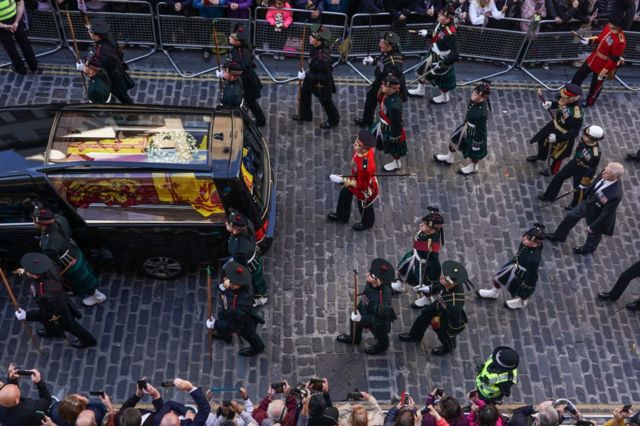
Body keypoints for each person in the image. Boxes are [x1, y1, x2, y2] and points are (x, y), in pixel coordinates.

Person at [13, 253, 97, 348]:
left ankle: (89, 340)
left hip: (58, 309)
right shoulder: (48, 265)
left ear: (35, 275)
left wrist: (26, 315)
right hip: (55, 300)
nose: (26, 272)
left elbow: (46, 312)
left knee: (69, 325)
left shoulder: (46, 293)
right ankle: (53, 331)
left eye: (28, 271)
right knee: (48, 320)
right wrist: (23, 271)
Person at [32, 206, 107, 307]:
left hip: (68, 263)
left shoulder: (50, 245)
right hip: (73, 251)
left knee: (82, 281)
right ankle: (73, 289)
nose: (33, 223)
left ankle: (98, 297)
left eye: (35, 221)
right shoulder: (60, 219)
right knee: (81, 278)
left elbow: (53, 263)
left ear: (43, 224)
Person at [546, 162, 624, 254]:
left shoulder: (615, 194)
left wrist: (592, 227)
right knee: (571, 216)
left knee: (594, 234)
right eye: (604, 171)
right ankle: (559, 235)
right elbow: (595, 182)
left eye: (607, 174)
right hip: (588, 202)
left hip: (597, 213)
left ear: (616, 177)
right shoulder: (606, 172)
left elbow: (606, 213)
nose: (603, 174)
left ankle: (588, 248)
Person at [398, 260, 469, 356]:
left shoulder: (456, 301)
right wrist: (429, 289)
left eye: (445, 279)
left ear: (452, 284)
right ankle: (415, 336)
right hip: (439, 306)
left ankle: (449, 348)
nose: (442, 278)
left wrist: (439, 319)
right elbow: (440, 286)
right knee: (422, 318)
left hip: (447, 316)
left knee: (444, 335)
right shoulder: (448, 282)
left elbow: (453, 315)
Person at [476, 224, 545, 310]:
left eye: (528, 239)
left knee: (521, 292)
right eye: (526, 237)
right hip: (514, 264)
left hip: (521, 274)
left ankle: (521, 302)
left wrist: (527, 287)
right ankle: (494, 293)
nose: (524, 239)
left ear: (536, 243)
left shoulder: (534, 259)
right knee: (498, 278)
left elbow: (532, 276)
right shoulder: (527, 241)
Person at [336, 258, 397, 355]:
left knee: (380, 335)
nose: (367, 275)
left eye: (371, 276)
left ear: (379, 281)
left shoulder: (383, 299)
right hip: (366, 309)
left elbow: (378, 319)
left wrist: (361, 319)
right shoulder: (372, 282)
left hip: (378, 321)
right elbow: (366, 296)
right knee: (354, 321)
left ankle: (382, 347)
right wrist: (359, 309)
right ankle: (355, 338)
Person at [205, 262, 266, 356]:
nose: (225, 280)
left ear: (237, 285)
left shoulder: (240, 305)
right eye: (226, 278)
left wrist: (215, 324)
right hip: (229, 312)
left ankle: (258, 348)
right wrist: (224, 289)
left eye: (229, 281)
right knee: (223, 316)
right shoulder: (236, 284)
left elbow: (234, 326)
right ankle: (226, 336)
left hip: (241, 321)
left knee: (249, 335)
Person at [390, 208, 445, 310]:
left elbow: (435, 264)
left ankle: (427, 299)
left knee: (422, 283)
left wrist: (433, 278)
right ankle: (400, 285)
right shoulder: (427, 233)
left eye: (424, 225)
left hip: (423, 266)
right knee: (404, 269)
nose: (420, 226)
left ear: (432, 230)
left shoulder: (432, 246)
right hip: (415, 256)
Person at [538, 125, 602, 210]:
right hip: (575, 163)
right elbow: (579, 151)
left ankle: (574, 205)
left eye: (587, 136)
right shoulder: (584, 140)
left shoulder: (595, 153)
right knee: (559, 177)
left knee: (577, 189)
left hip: (583, 170)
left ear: (593, 139)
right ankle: (549, 196)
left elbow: (593, 167)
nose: (583, 136)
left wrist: (585, 180)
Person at [433, 81, 491, 175]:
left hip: (474, 134)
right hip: (466, 127)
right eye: (474, 92)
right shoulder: (474, 101)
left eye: (476, 95)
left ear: (483, 98)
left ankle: (473, 167)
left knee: (473, 154)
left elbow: (481, 130)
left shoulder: (482, 113)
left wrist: (476, 144)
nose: (473, 95)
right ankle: (449, 157)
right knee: (454, 141)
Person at [526, 84, 583, 176]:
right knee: (542, 141)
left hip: (563, 135)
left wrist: (558, 138)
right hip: (553, 126)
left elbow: (573, 133)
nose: (562, 99)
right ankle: (541, 156)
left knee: (558, 155)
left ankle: (553, 170)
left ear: (574, 98)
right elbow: (560, 104)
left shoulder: (577, 115)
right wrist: (551, 104)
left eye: (566, 98)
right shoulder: (567, 100)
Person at [353, 31, 406, 129]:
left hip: (387, 86)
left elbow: (394, 77)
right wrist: (374, 61)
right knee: (370, 98)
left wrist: (384, 89)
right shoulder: (386, 53)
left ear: (388, 45)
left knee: (385, 108)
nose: (379, 44)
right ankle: (367, 120)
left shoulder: (395, 61)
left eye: (381, 43)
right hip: (380, 81)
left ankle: (384, 127)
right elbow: (382, 62)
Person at [327, 130, 379, 231]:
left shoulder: (366, 167)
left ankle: (367, 222)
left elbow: (362, 186)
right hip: (357, 177)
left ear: (364, 150)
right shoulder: (359, 151)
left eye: (357, 144)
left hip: (364, 186)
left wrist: (344, 180)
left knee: (363, 204)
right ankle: (342, 216)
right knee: (344, 193)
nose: (354, 144)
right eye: (356, 141)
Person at [408, 3, 459, 104]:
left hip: (442, 58)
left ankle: (445, 97)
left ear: (448, 19)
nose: (439, 16)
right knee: (421, 70)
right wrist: (427, 33)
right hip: (433, 53)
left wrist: (444, 63)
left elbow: (455, 54)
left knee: (442, 80)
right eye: (440, 14)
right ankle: (420, 90)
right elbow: (436, 34)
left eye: (442, 15)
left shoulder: (450, 33)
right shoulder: (440, 23)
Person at [292, 24, 340, 129]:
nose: (310, 37)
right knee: (304, 94)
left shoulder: (322, 57)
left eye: (313, 37)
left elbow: (322, 75)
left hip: (320, 83)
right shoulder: (315, 46)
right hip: (311, 77)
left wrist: (305, 76)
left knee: (326, 101)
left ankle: (334, 120)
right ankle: (305, 115)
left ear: (319, 41)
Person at [569, 20, 626, 107]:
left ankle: (589, 101)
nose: (609, 23)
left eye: (612, 22)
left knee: (595, 86)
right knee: (578, 76)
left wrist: (604, 72)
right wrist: (589, 40)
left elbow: (614, 60)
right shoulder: (608, 27)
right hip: (593, 58)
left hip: (603, 66)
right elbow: (600, 38)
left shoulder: (620, 41)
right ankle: (570, 93)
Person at [76, 19, 134, 104]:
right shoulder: (108, 36)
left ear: (97, 36)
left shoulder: (100, 52)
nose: (89, 33)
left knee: (121, 95)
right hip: (117, 68)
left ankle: (132, 110)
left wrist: (84, 68)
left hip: (112, 76)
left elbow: (97, 71)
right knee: (119, 94)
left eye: (91, 32)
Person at [225, 209, 269, 307]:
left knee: (254, 282)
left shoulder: (238, 248)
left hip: (249, 265)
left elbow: (241, 268)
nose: (226, 225)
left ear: (235, 230)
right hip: (254, 255)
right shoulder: (247, 223)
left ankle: (261, 298)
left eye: (229, 224)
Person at [228, 25, 266, 127]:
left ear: (238, 41)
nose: (229, 38)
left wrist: (228, 70)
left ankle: (261, 121)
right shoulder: (238, 49)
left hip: (247, 82)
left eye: (232, 37)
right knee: (248, 102)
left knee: (250, 102)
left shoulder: (243, 52)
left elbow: (241, 68)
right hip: (245, 81)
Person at [374, 74, 407, 172]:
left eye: (384, 86)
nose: (382, 86)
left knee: (394, 149)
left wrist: (394, 137)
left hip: (390, 129)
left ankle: (396, 164)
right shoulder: (388, 95)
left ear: (392, 89)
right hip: (383, 124)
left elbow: (396, 124)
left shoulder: (394, 106)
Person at [0, 0, 37, 74]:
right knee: (24, 42)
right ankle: (33, 65)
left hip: (2, 24)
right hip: (15, 17)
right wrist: (16, 22)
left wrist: (5, 26)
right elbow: (20, 3)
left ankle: (20, 69)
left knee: (10, 46)